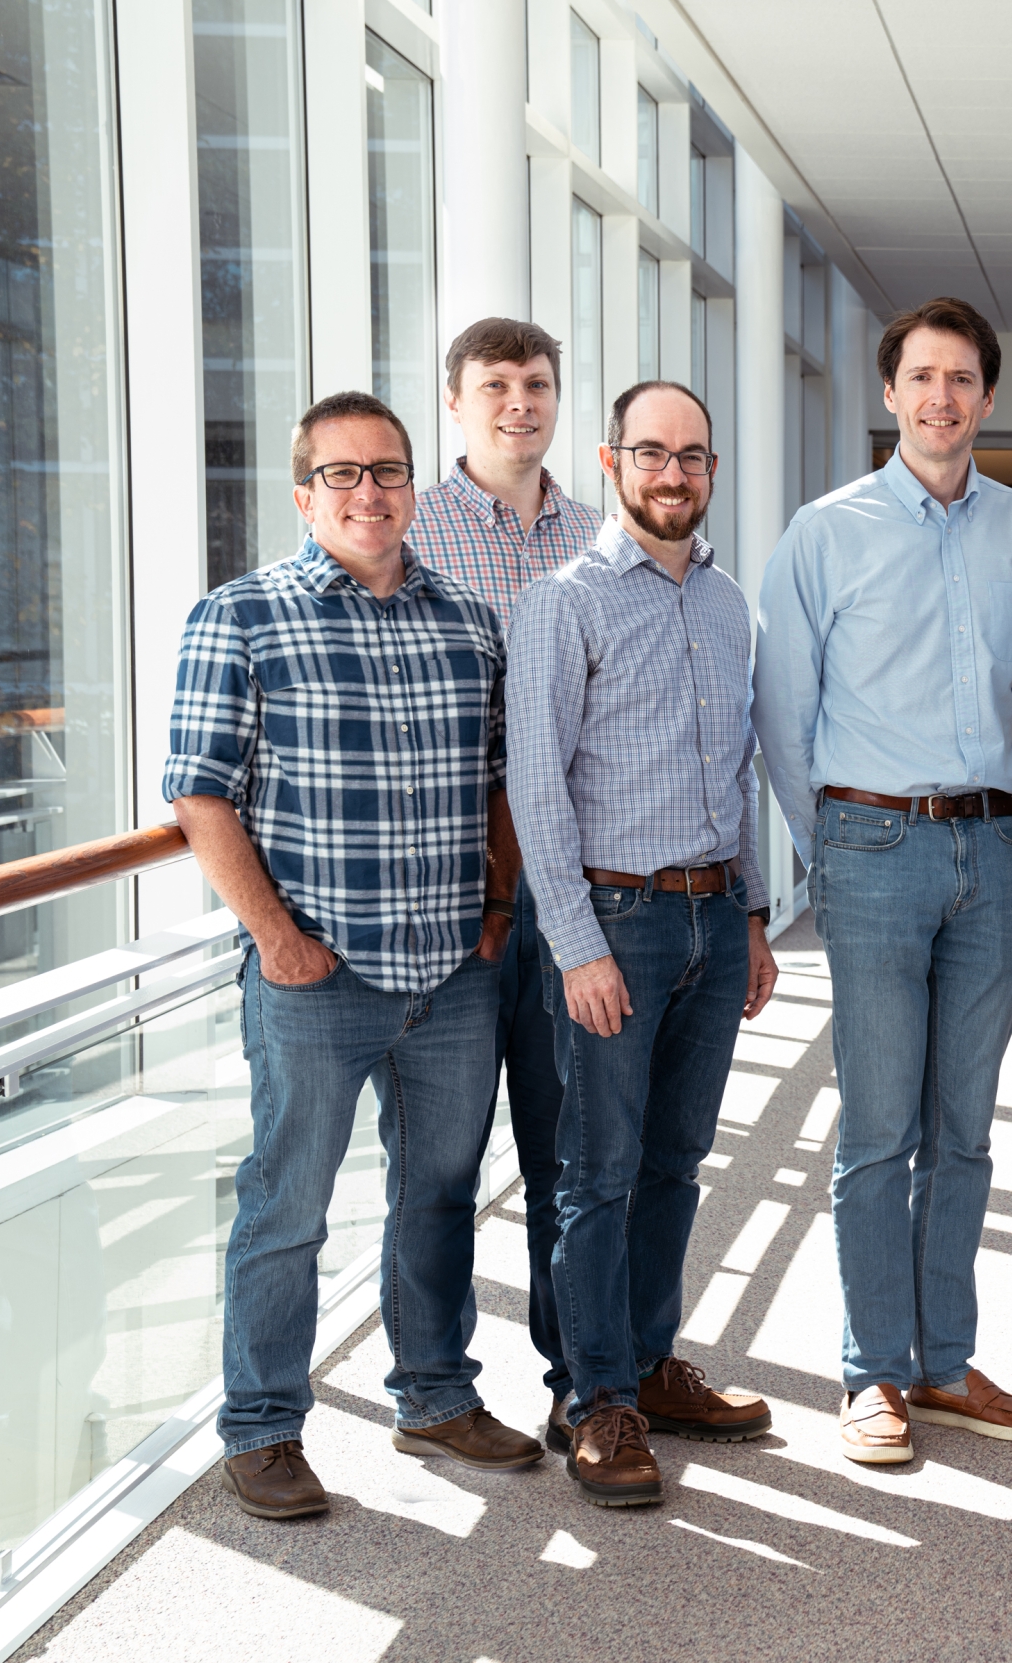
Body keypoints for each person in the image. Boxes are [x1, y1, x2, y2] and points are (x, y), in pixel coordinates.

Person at [167, 390, 542, 1520]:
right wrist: (274, 937)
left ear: (414, 486)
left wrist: (499, 901)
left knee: (438, 1193)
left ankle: (432, 1394)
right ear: (302, 493)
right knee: (287, 1205)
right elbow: (197, 792)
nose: (368, 491)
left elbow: (499, 778)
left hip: (453, 975)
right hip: (314, 976)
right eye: (343, 474)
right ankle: (264, 1426)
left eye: (387, 471)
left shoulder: (470, 621)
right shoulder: (239, 616)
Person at [751, 298, 1012, 1465]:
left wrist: (977, 788)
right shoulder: (823, 531)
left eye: (963, 378)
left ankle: (943, 1361)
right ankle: (870, 1371)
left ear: (988, 397)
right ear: (889, 395)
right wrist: (833, 840)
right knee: (879, 1131)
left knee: (968, 1128)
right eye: (921, 376)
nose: (941, 397)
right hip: (870, 846)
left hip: (991, 847)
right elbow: (783, 716)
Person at [508, 380, 779, 1505]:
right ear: (613, 463)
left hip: (714, 920)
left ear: (711, 470)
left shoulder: (727, 605)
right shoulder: (561, 602)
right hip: (612, 923)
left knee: (675, 1160)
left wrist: (754, 915)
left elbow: (739, 772)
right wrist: (576, 947)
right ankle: (597, 1394)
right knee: (595, 1174)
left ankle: (651, 1363)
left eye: (694, 456)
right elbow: (535, 787)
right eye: (653, 453)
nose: (675, 473)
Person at [410, 317, 601, 1431]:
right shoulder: (412, 527)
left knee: (565, 1145)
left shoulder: (594, 533)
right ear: (457, 401)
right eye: (495, 385)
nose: (519, 403)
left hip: (567, 885)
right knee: (438, 1157)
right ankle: (435, 1386)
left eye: (536, 384)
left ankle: (582, 1376)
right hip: (450, 884)